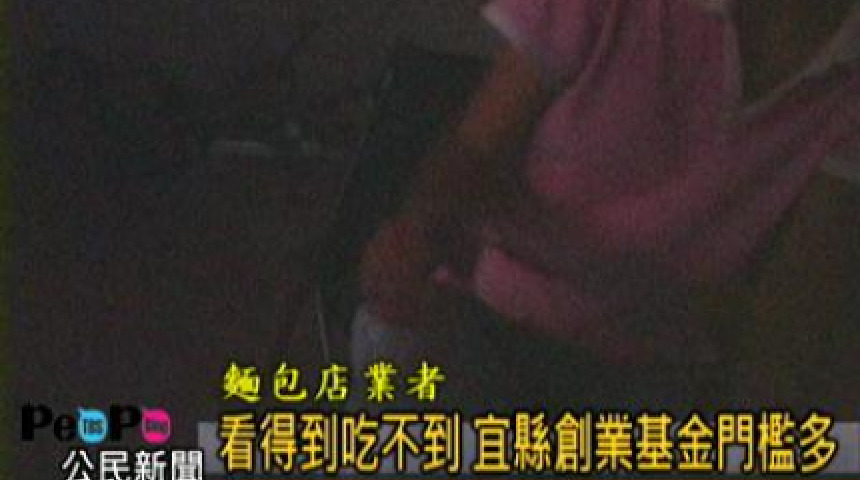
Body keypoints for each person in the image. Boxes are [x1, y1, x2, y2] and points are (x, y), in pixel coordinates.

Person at [357, 0, 860, 416]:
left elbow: (792, 307)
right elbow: (472, 152)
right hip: (485, 313)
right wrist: (414, 240)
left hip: (659, 377)